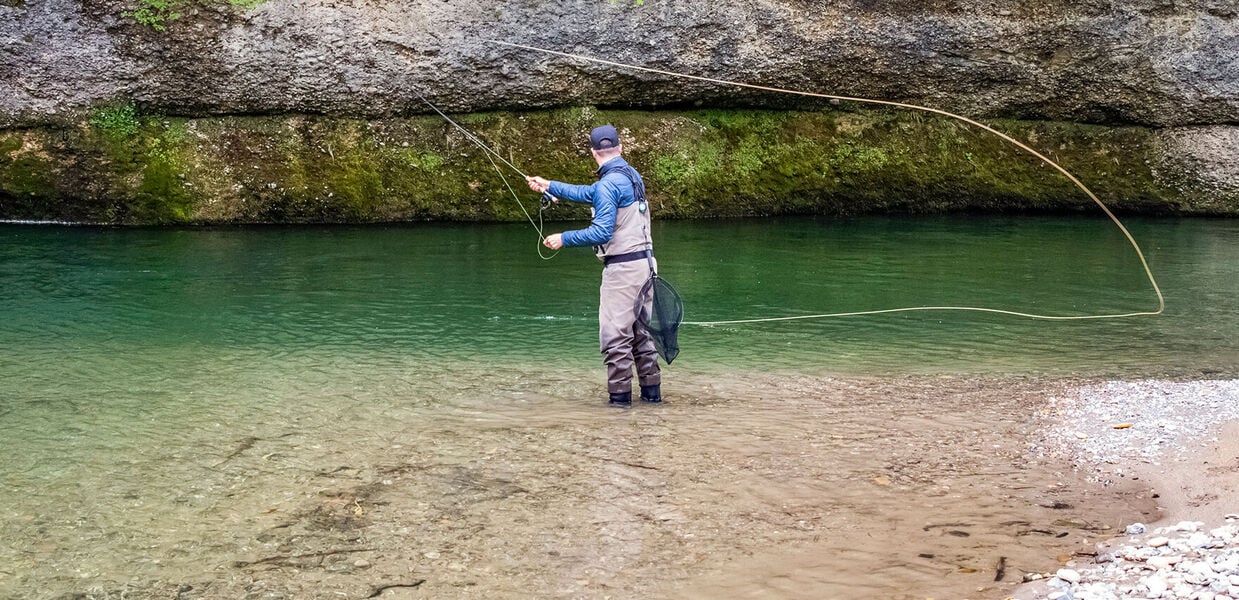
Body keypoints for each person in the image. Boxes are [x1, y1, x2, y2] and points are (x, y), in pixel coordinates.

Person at [526, 124, 662, 407]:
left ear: (592, 152)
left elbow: (601, 232)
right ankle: (653, 401)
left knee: (616, 339)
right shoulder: (630, 175)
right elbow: (593, 193)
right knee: (642, 337)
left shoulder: (608, 184)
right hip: (646, 267)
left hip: (623, 272)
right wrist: (550, 185)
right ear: (620, 148)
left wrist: (564, 238)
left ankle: (619, 407)